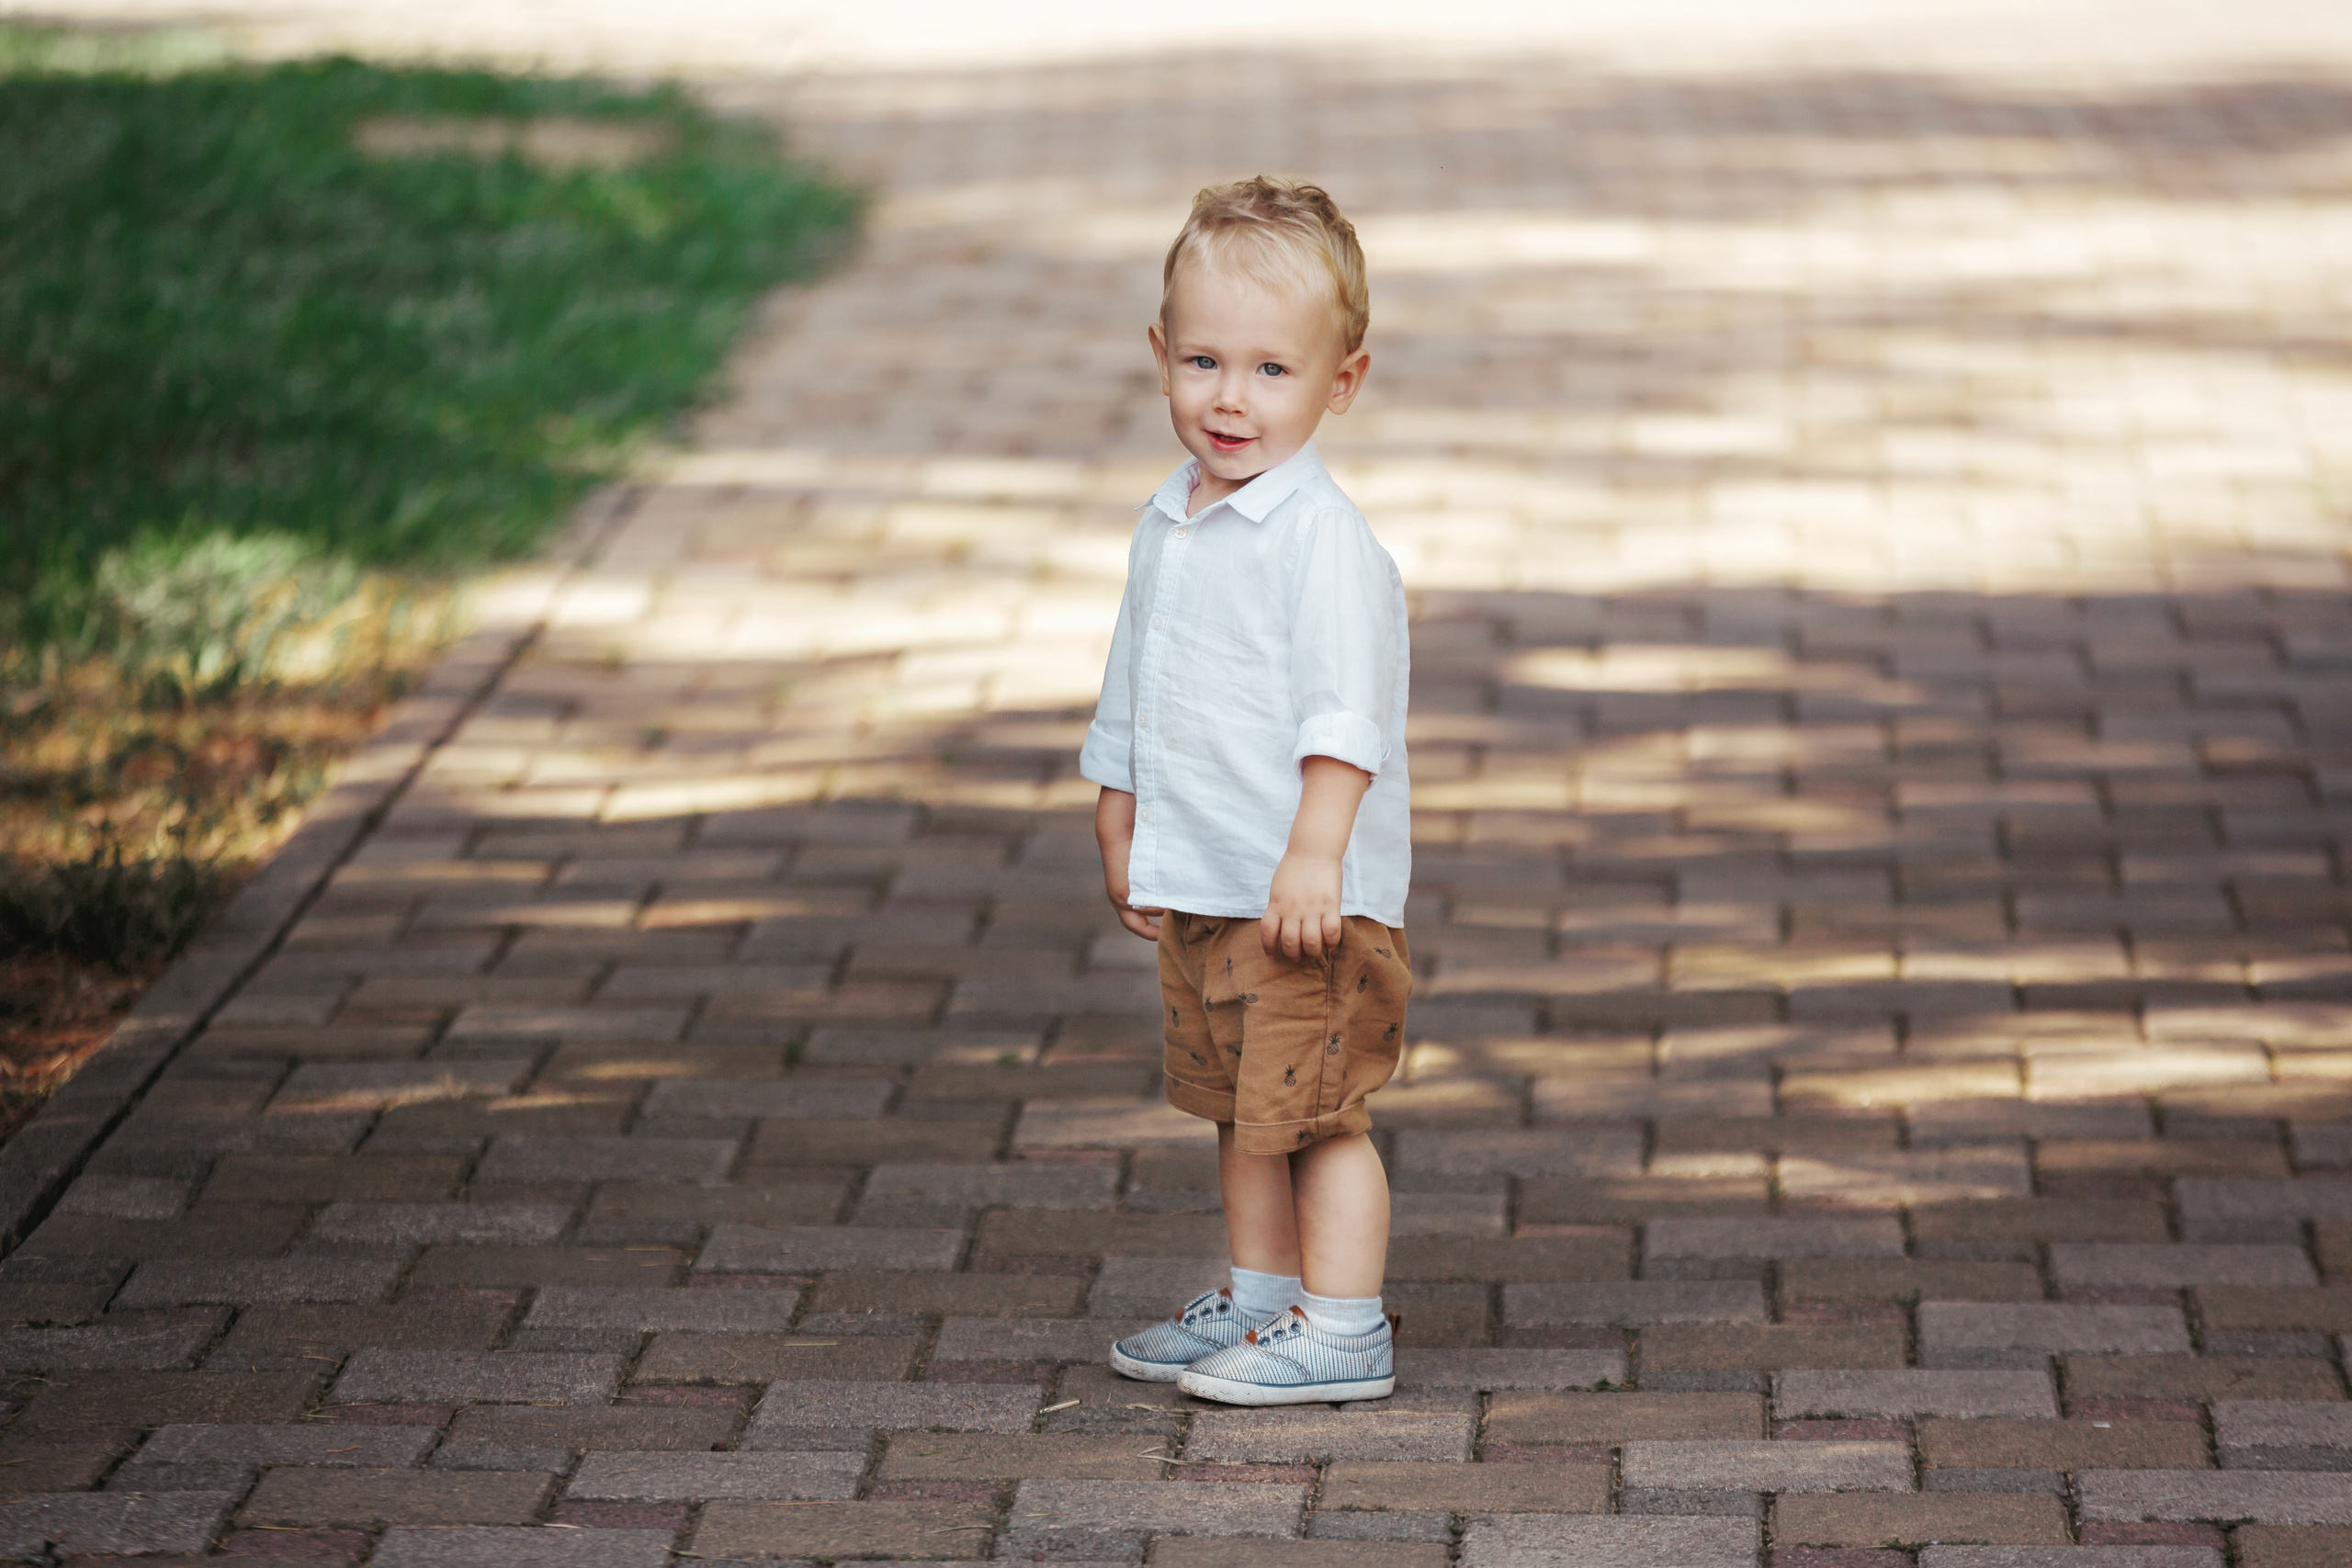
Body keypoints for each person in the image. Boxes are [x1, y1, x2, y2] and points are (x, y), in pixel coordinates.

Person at [1082, 175, 1412, 1406]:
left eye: (1274, 370)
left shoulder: (1320, 542)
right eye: (1206, 360)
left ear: (1342, 383)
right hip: (1210, 872)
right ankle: (1264, 1300)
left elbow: (1347, 713)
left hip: (1300, 892)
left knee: (1318, 1110)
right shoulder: (1170, 518)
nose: (1232, 398)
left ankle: (1344, 1327)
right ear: (1161, 355)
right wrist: (1119, 803)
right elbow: (1142, 674)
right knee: (1240, 1104)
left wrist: (1318, 852)